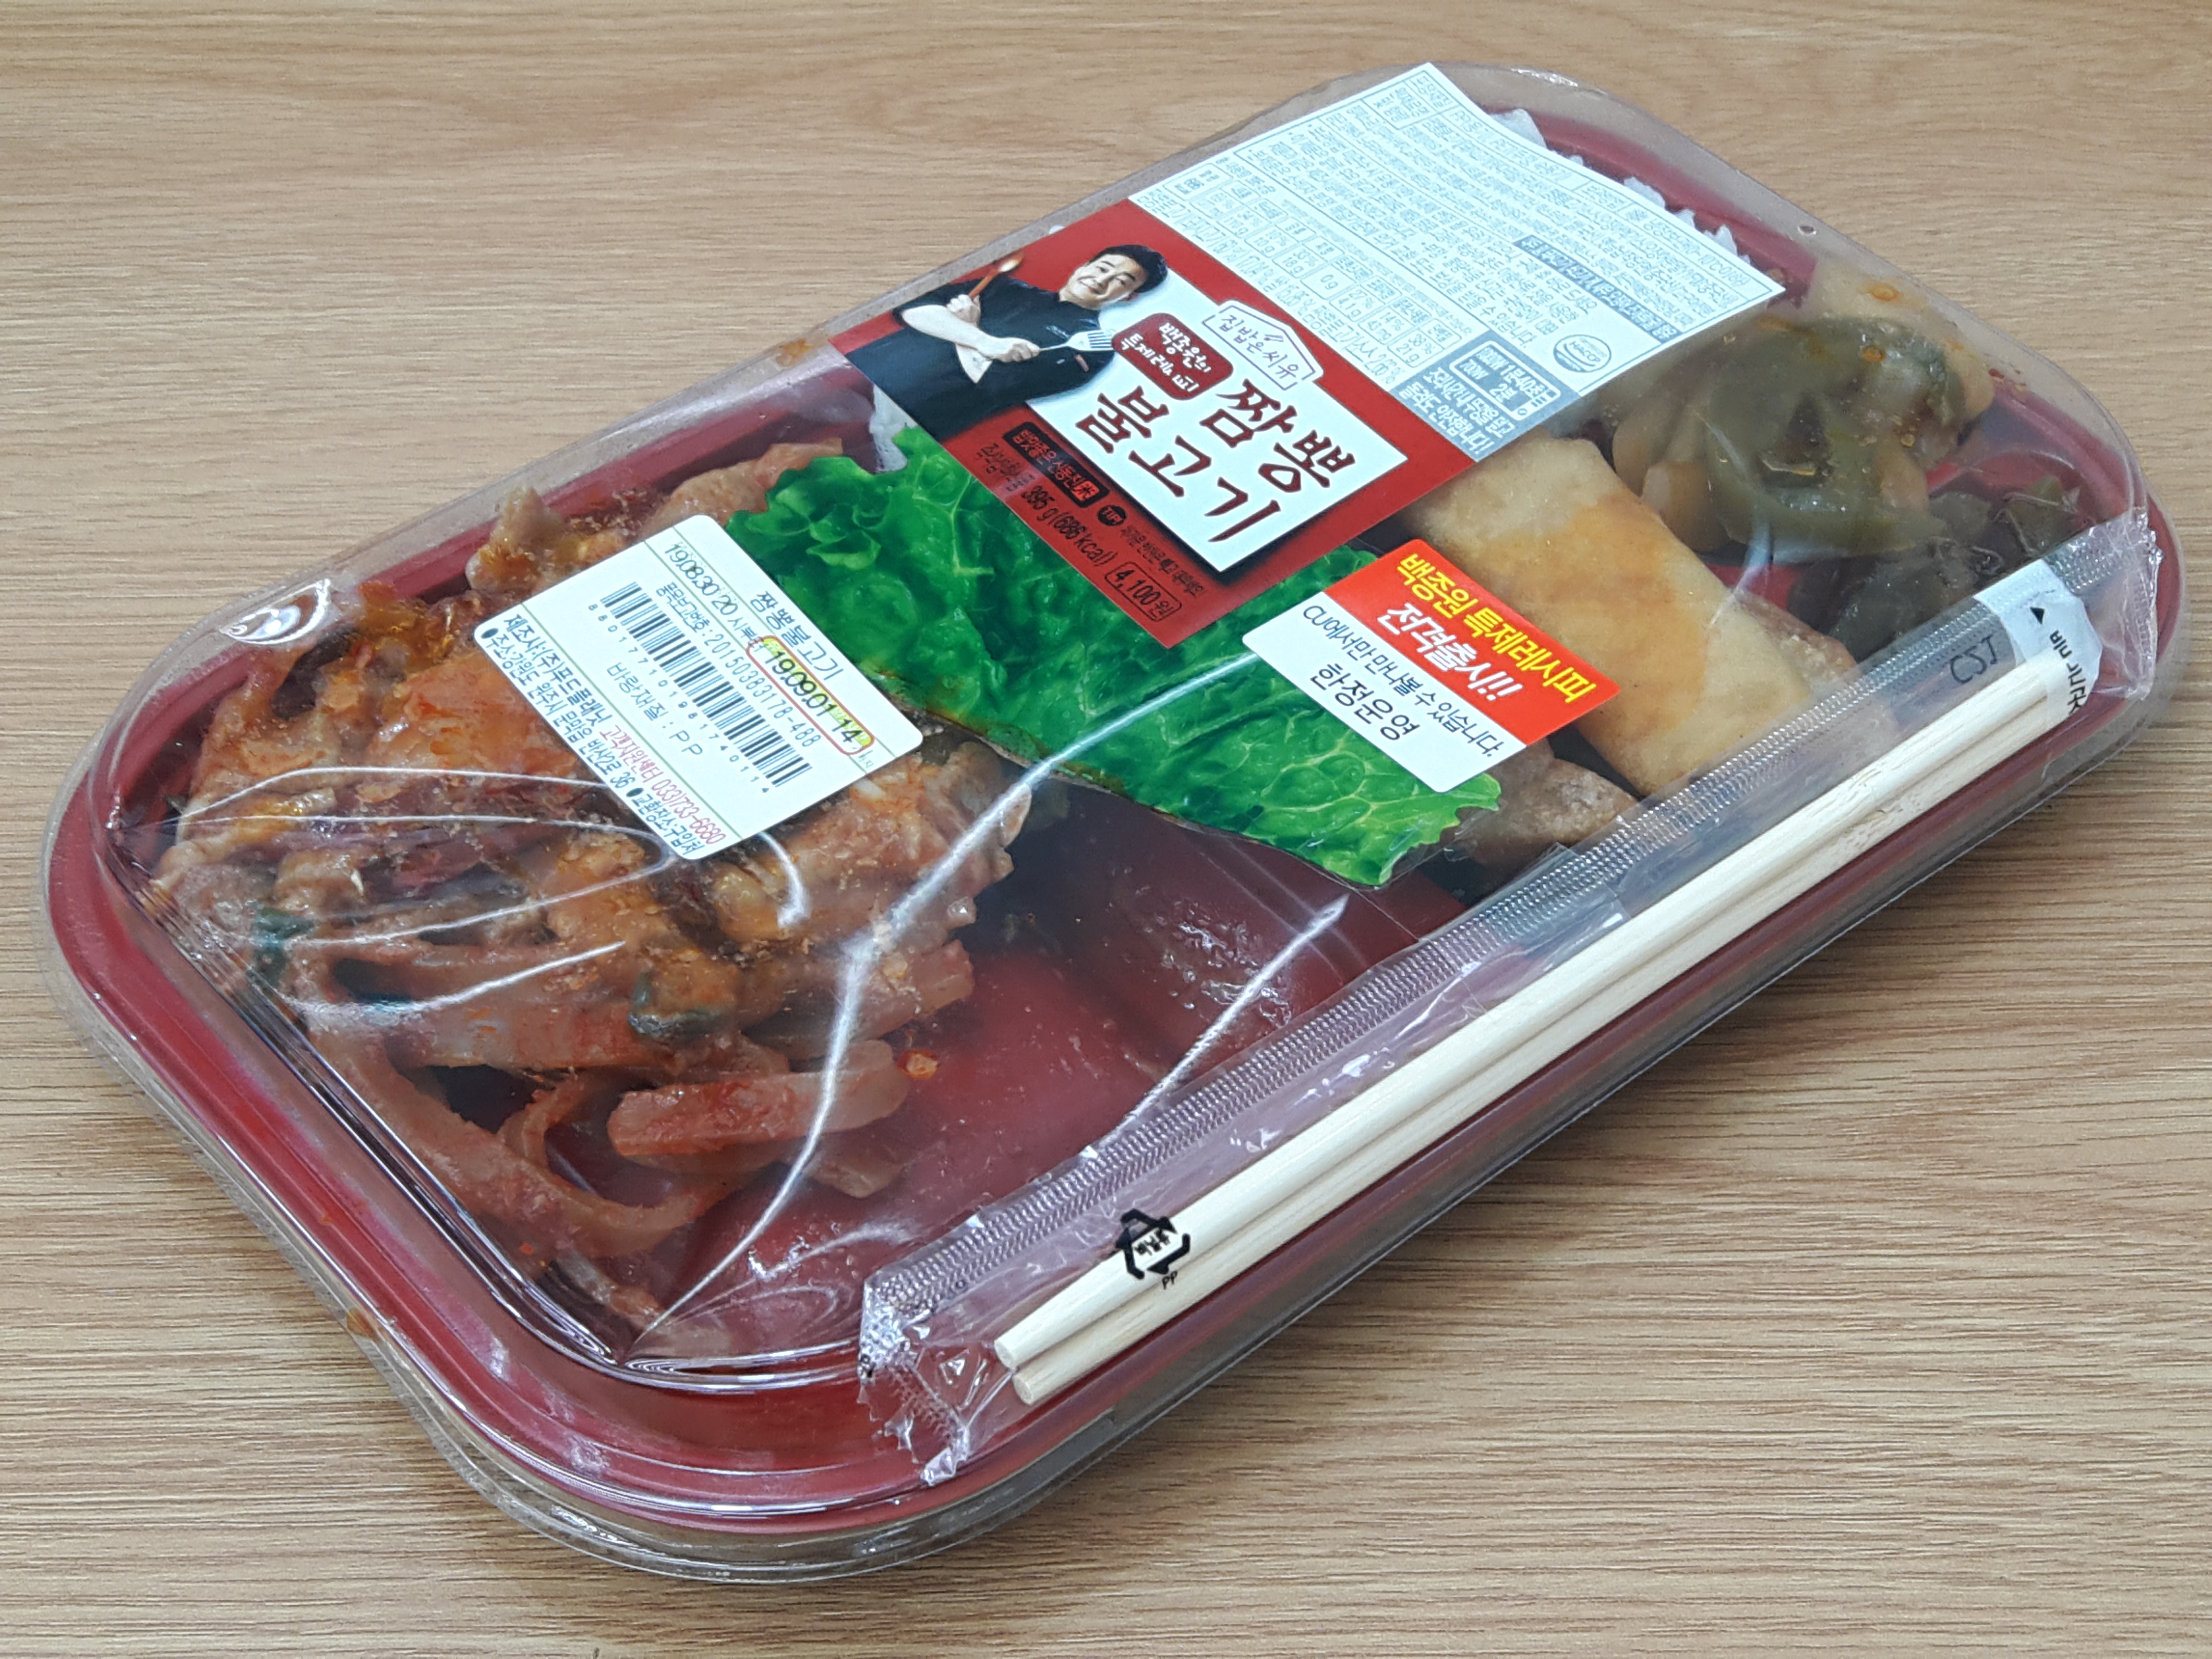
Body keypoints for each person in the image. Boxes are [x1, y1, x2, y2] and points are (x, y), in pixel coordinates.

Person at [847, 245, 1167, 440]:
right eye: (1102, 268)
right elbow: (913, 310)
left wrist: (964, 326)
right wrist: (981, 340)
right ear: (1084, 266)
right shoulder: (1006, 287)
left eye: (1121, 281)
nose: (1101, 279)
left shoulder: (1093, 348)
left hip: (905, 423)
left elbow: (994, 385)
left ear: (1130, 298)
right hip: (858, 371)